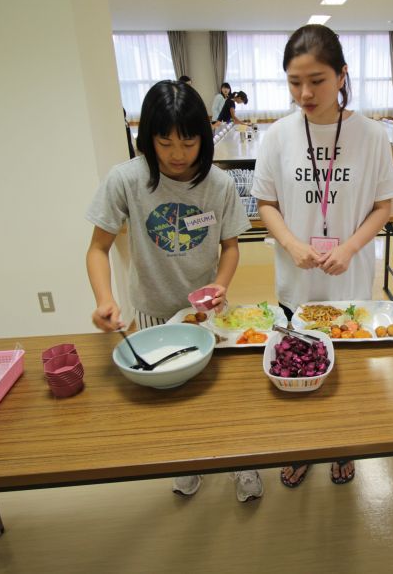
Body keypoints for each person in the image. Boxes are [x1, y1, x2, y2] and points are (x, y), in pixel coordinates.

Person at [85, 80, 262, 502]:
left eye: (188, 141)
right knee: (171, 399)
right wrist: (104, 300)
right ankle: (187, 462)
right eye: (164, 142)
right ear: (148, 139)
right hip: (153, 313)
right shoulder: (125, 180)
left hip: (210, 313)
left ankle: (242, 463)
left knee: (224, 396)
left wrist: (220, 285)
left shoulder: (217, 184)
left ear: (204, 136)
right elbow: (97, 248)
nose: (177, 155)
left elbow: (232, 246)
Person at [250, 24, 393, 488]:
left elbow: (382, 206)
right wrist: (292, 243)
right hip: (297, 282)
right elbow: (266, 204)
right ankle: (300, 446)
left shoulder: (372, 136)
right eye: (295, 82)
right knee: (298, 371)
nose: (305, 93)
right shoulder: (277, 136)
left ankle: (343, 447)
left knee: (347, 377)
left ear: (341, 75)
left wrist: (352, 247)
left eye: (316, 80)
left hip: (349, 282)